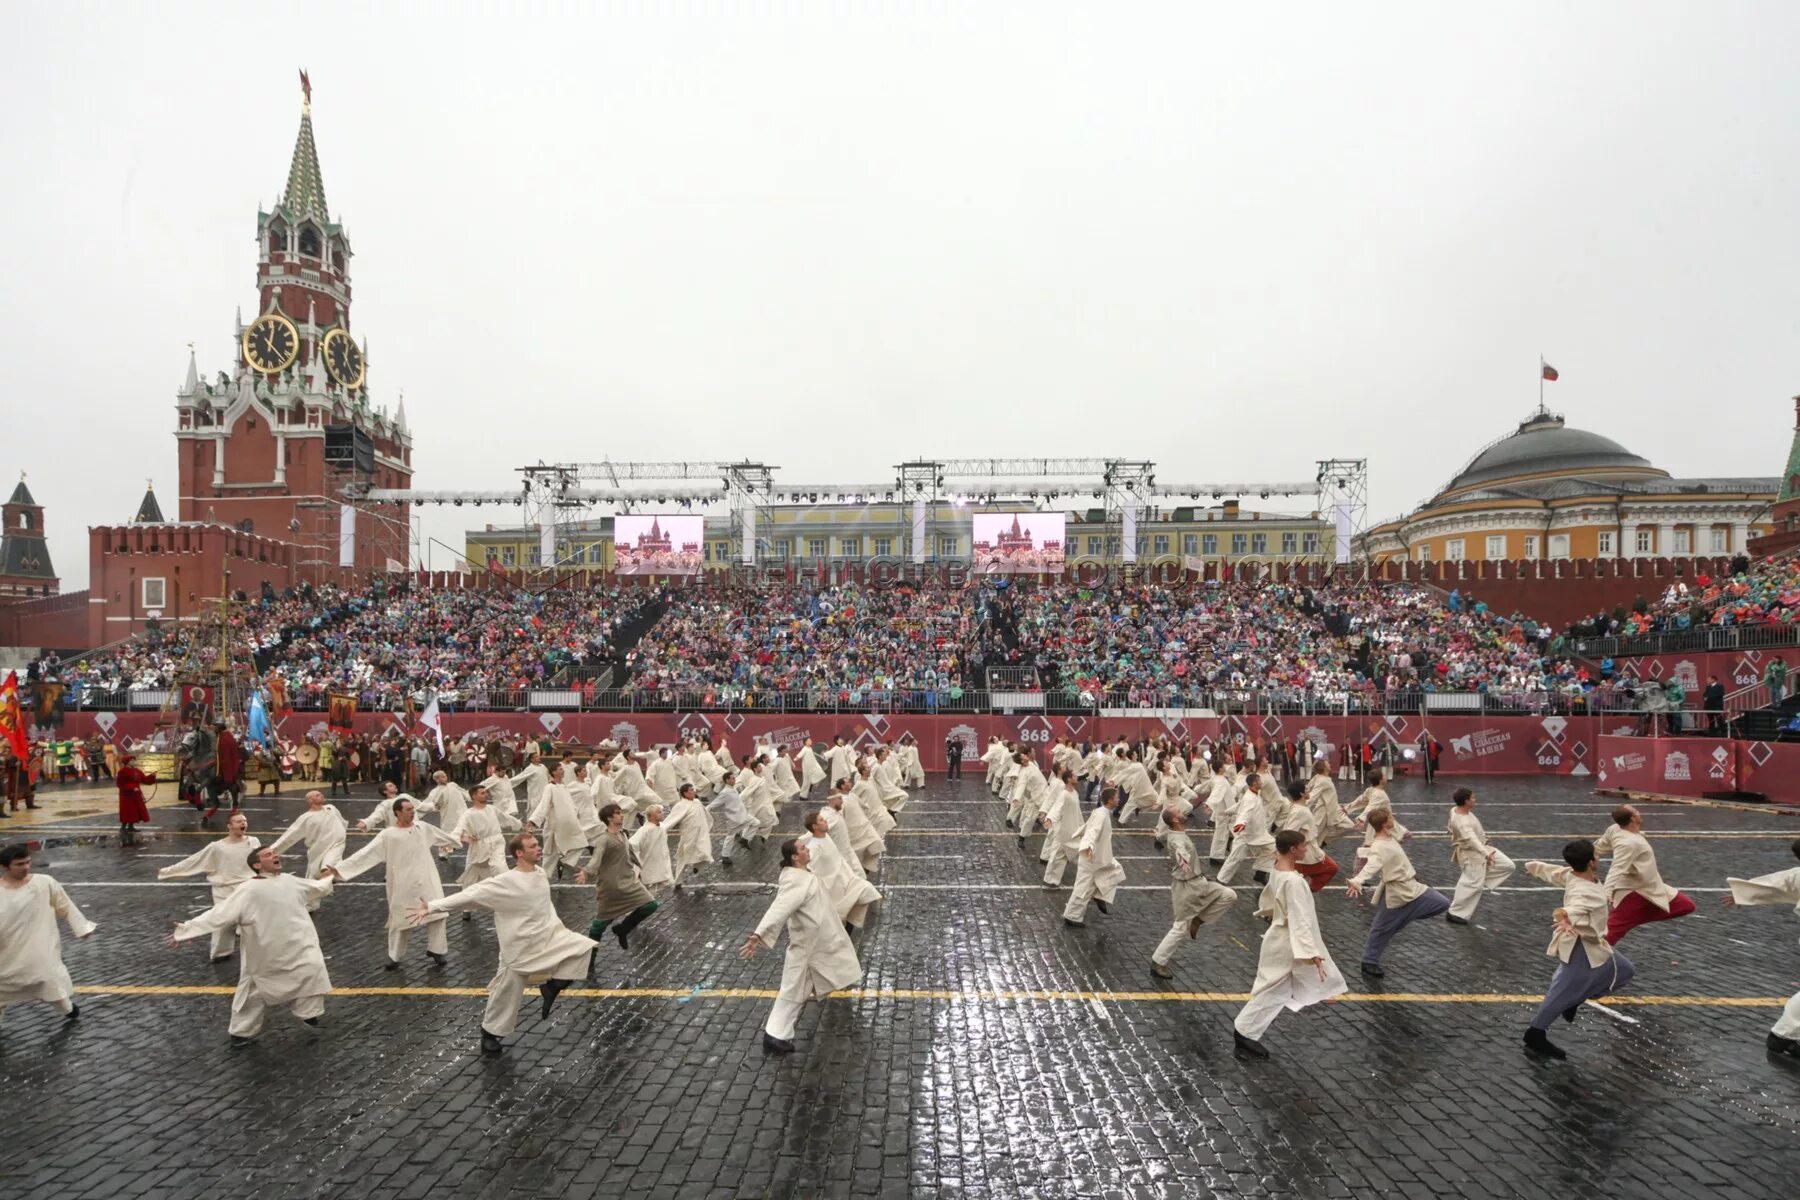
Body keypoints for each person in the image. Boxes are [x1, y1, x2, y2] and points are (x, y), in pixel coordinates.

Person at [415, 832, 597, 1055]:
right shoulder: (506, 882)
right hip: (518, 946)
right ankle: (489, 1034)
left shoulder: (539, 873)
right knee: (505, 993)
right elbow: (472, 894)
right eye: (532, 846)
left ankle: (551, 987)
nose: (538, 848)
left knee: (584, 948)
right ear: (519, 853)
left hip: (548, 937)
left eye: (537, 845)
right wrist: (433, 906)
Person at [167, 845, 335, 1046]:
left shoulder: (290, 881)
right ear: (257, 865)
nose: (275, 855)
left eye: (274, 853)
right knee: (254, 990)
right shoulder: (248, 889)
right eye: (268, 855)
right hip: (265, 949)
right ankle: (241, 1032)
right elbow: (220, 914)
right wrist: (185, 931)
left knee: (313, 971)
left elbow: (318, 888)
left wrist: (332, 876)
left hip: (299, 944)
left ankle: (309, 1013)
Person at [738, 838, 864, 1055]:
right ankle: (774, 1035)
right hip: (806, 948)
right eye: (803, 849)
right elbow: (779, 908)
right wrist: (759, 934)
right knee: (792, 990)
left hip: (816, 944)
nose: (807, 850)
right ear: (794, 857)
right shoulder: (795, 881)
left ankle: (779, 1034)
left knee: (799, 991)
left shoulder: (803, 874)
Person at [1232, 830, 1346, 1058]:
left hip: (1282, 938)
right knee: (1274, 990)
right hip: (1288, 943)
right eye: (1303, 846)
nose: (1306, 850)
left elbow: (1273, 898)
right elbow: (1299, 918)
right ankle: (1243, 1032)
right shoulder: (1294, 881)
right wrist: (1310, 952)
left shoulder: (1278, 869)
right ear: (1293, 849)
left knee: (1280, 990)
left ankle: (1247, 1033)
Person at [1522, 839, 1635, 1060]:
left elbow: (1553, 873)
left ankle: (1574, 1000)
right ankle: (1535, 1033)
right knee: (1560, 991)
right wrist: (1565, 917)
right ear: (1592, 862)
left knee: (1624, 970)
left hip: (1593, 944)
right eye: (1597, 855)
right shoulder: (1585, 890)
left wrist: (1532, 867)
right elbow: (1576, 906)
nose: (1599, 858)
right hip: (1580, 946)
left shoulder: (1572, 874)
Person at [325, 795, 461, 969]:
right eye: (408, 810)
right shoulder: (388, 835)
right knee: (400, 919)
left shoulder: (423, 827)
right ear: (397, 812)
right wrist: (339, 870)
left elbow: (445, 838)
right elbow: (365, 854)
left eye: (413, 809)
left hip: (428, 879)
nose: (413, 812)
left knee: (438, 914)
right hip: (402, 882)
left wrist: (459, 840)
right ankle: (394, 956)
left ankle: (437, 950)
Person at [1345, 808, 1451, 979]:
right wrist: (1357, 881)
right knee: (1381, 928)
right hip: (1396, 891)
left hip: (1412, 887)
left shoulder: (1392, 833)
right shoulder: (1379, 846)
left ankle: (1404, 916)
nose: (1394, 817)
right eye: (1390, 817)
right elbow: (1371, 866)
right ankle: (1369, 961)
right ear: (1384, 823)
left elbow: (1405, 834)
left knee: (1442, 903)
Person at [0, 844, 95, 1029]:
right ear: (6, 866)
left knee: (46, 977)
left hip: (39, 944)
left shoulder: (44, 883)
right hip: (6, 946)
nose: (26, 867)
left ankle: (67, 1008)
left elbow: (65, 905)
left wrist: (82, 928)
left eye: (28, 862)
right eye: (19, 864)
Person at [1722, 838, 1800, 1058]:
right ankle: (1782, 1035)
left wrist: (1742, 894)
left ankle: (1784, 1035)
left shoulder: (1797, 874)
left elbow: (1772, 886)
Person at [157, 812, 260, 960]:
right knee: (222, 922)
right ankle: (220, 953)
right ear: (229, 826)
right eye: (238, 821)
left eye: (244, 821)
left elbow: (262, 859)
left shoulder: (254, 841)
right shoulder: (217, 847)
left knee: (252, 921)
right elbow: (194, 861)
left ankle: (256, 954)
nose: (243, 824)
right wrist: (167, 872)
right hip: (224, 889)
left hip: (248, 888)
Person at [1149, 808, 1237, 980]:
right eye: (1180, 812)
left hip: (1199, 882)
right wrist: (1187, 867)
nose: (1184, 813)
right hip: (1186, 887)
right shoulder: (1177, 840)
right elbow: (1180, 852)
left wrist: (1157, 836)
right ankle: (1158, 962)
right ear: (1175, 820)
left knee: (1229, 895)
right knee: (1180, 927)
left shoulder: (1173, 832)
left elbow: (1163, 836)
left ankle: (1198, 919)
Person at [1594, 805, 1696, 944]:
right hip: (1632, 892)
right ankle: (1586, 959)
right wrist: (1605, 895)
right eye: (1636, 811)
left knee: (1686, 905)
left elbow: (1598, 847)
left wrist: (1587, 855)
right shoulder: (1628, 843)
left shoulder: (1615, 829)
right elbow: (1616, 869)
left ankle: (1633, 919)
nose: (1639, 812)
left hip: (1651, 886)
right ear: (1632, 819)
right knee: (1611, 935)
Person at [576, 803, 659, 950]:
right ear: (609, 818)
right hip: (611, 887)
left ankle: (623, 929)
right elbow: (596, 860)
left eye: (621, 812)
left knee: (651, 905)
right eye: (617, 813)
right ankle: (589, 960)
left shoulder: (623, 834)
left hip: (628, 882)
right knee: (599, 926)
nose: (621, 815)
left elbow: (629, 853)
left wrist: (639, 869)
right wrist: (586, 872)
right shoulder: (604, 839)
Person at [801, 808, 881, 931]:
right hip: (832, 887)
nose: (825, 821)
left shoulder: (826, 837)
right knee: (839, 916)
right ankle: (845, 931)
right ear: (815, 826)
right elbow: (808, 868)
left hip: (846, 880)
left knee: (867, 890)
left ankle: (847, 928)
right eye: (822, 820)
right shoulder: (814, 847)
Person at [268, 790, 348, 910]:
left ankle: (327, 886)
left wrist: (341, 832)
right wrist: (272, 850)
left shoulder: (331, 808)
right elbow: (290, 835)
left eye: (321, 794)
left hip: (336, 846)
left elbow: (342, 822)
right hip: (317, 850)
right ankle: (311, 904)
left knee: (327, 868)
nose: (321, 795)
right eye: (317, 795)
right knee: (313, 875)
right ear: (310, 801)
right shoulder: (305, 818)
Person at [1445, 787, 1513, 925]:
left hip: (1482, 848)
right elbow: (1472, 840)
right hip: (1472, 855)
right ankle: (1455, 913)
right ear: (1466, 801)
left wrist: (1451, 830)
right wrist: (1486, 854)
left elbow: (1451, 820)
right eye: (1473, 798)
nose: (1475, 800)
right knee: (1471, 884)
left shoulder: (1455, 809)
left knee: (1508, 865)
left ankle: (1480, 879)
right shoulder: (1463, 822)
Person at [1062, 786, 1124, 927]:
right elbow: (1092, 831)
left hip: (1098, 857)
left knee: (1114, 872)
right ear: (1110, 800)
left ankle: (1097, 897)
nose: (1119, 799)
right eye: (1117, 797)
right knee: (1083, 886)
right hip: (1092, 858)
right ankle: (1072, 915)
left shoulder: (1101, 812)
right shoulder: (1102, 815)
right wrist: (1088, 846)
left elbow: (1087, 826)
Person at [1217, 772, 1275, 886]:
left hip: (1259, 835)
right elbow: (1245, 812)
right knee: (1234, 859)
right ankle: (1220, 881)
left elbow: (1240, 805)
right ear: (1254, 783)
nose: (1261, 782)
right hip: (1245, 836)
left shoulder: (1253, 794)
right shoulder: (1250, 798)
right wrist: (1240, 823)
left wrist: (1228, 811)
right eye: (1259, 780)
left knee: (1273, 849)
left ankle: (1261, 873)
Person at [663, 783, 715, 891]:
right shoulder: (680, 805)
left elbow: (705, 815)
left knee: (705, 853)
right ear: (685, 793)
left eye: (693, 789)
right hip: (688, 836)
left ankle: (697, 866)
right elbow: (671, 819)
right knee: (682, 858)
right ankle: (678, 881)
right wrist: (661, 830)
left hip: (701, 835)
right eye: (691, 790)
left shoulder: (697, 802)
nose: (694, 791)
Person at [628, 803, 673, 895]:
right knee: (647, 890)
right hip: (648, 863)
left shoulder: (662, 827)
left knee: (657, 887)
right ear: (650, 816)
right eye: (659, 812)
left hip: (660, 863)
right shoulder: (645, 830)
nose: (662, 814)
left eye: (661, 812)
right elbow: (632, 844)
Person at [115, 751, 157, 843]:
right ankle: (123, 827)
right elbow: (120, 784)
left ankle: (131, 826)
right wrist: (131, 788)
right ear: (127, 762)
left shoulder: (137, 771)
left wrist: (152, 776)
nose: (134, 762)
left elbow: (145, 780)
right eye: (132, 760)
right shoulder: (122, 772)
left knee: (134, 811)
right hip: (126, 795)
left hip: (136, 795)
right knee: (127, 810)